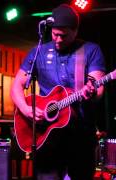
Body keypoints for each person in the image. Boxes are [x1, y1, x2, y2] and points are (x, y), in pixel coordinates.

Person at [10, 4, 106, 180]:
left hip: (80, 135)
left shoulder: (91, 50)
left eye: (64, 35)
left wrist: (91, 91)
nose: (58, 39)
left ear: (75, 31)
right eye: (55, 34)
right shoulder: (38, 51)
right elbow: (16, 86)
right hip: (46, 137)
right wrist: (26, 110)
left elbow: (98, 87)